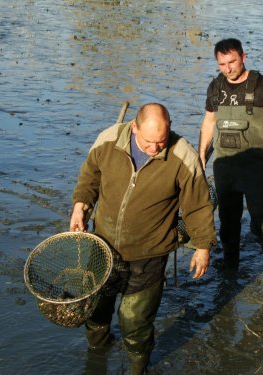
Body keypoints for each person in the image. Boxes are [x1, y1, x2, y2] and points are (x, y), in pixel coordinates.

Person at [69, 103, 216, 374]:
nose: (155, 148)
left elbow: (198, 205)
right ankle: (98, 353)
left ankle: (139, 366)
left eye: (161, 141)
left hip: (150, 251)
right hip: (103, 244)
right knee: (95, 310)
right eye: (149, 142)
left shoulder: (183, 155)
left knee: (134, 319)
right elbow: (90, 176)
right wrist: (81, 205)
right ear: (134, 127)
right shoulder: (109, 139)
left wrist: (202, 246)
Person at [198, 38, 263, 292]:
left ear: (243, 56)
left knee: (262, 222)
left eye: (232, 61)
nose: (228, 68)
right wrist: (201, 156)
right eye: (222, 64)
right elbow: (208, 123)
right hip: (224, 166)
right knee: (228, 222)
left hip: (253, 168)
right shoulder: (216, 87)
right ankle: (230, 271)